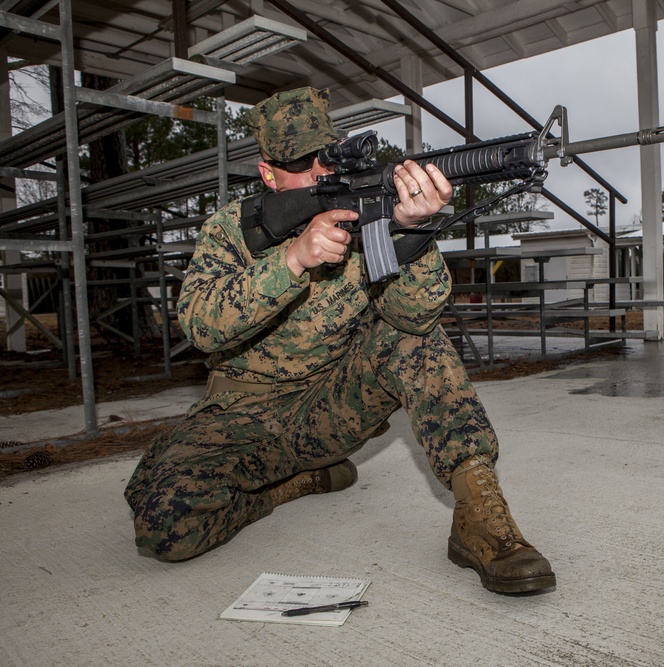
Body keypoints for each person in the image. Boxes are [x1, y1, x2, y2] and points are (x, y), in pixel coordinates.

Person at [123, 87, 555, 595]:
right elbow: (199, 323)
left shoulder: (370, 215)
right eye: (300, 164)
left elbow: (417, 318)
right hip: (238, 417)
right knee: (163, 528)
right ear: (268, 174)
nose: (319, 174)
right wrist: (292, 261)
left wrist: (410, 234)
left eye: (325, 158)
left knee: (413, 341)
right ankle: (298, 483)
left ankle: (482, 519)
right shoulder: (235, 230)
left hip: (326, 411)